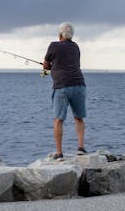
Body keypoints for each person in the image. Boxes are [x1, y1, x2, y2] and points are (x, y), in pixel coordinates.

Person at [43, 22, 87, 161]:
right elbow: (75, 64)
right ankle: (80, 148)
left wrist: (51, 67)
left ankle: (59, 153)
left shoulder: (53, 45)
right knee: (79, 117)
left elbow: (45, 65)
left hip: (61, 86)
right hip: (79, 84)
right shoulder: (75, 47)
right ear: (71, 35)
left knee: (58, 120)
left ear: (60, 34)